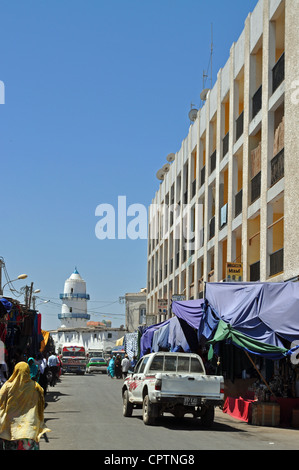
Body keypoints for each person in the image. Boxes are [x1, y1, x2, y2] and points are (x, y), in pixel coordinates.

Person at [0, 361, 50, 450]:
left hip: (10, 428)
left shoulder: (7, 386)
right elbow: (41, 404)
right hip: (30, 427)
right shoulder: (36, 387)